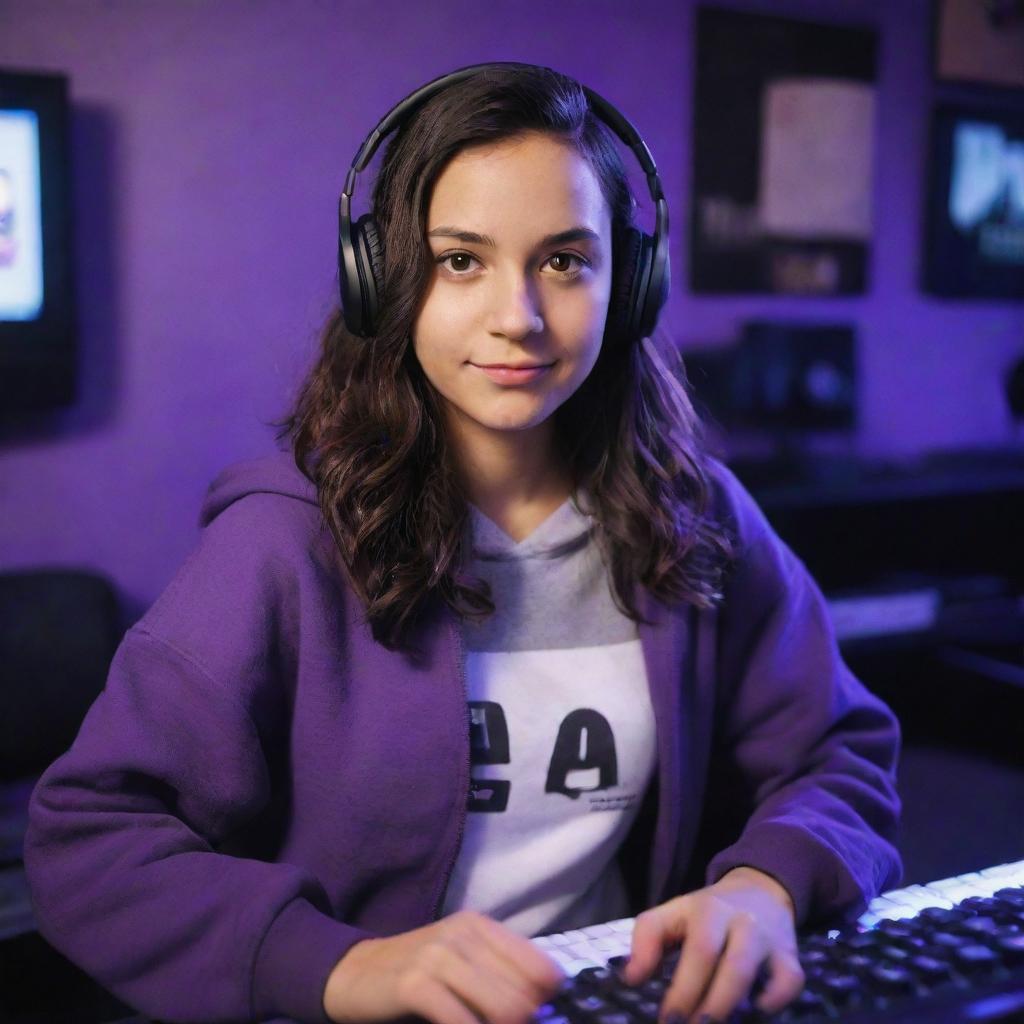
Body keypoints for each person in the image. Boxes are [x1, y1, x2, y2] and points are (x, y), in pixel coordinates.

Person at [23, 62, 902, 1024]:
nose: (517, 318)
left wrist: (765, 886)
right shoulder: (280, 547)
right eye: (461, 261)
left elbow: (838, 751)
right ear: (385, 279)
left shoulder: (697, 516)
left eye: (565, 260)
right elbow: (90, 842)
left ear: (633, 283)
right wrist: (340, 967)